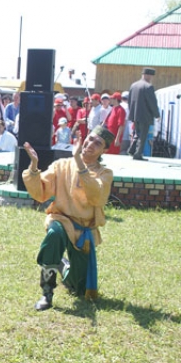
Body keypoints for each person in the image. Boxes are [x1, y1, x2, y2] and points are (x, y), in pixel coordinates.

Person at [22, 125, 115, 311]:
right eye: (89, 139)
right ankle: (46, 293)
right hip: (61, 219)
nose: (91, 144)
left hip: (83, 231)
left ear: (104, 150)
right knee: (55, 235)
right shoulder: (62, 165)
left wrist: (79, 163)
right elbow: (40, 191)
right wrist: (33, 165)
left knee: (78, 288)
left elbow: (96, 196)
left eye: (98, 143)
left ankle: (63, 265)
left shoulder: (105, 174)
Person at [128, 68, 160, 161]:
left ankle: (132, 150)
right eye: (151, 76)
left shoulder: (133, 85)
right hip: (145, 115)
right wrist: (157, 114)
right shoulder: (148, 86)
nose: (151, 78)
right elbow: (152, 103)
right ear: (148, 75)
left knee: (137, 134)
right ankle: (138, 154)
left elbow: (130, 101)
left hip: (135, 114)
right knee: (143, 136)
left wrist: (132, 113)